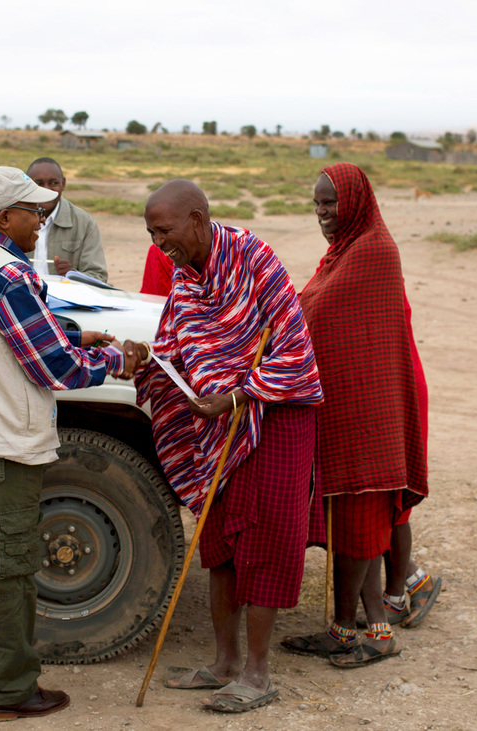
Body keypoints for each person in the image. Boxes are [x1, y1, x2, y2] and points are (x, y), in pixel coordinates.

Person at [0, 166, 141, 722]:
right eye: (33, 212)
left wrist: (74, 330)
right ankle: (10, 691)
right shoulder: (8, 276)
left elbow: (1, 330)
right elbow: (56, 368)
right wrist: (118, 360)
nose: (42, 221)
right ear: (3, 216)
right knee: (9, 570)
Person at [134, 180, 323, 713]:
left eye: (164, 230)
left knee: (263, 547)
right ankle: (224, 664)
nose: (158, 243)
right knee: (219, 547)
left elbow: (294, 350)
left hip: (275, 420)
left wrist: (238, 395)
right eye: (150, 233)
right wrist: (149, 365)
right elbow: (173, 343)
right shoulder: (184, 276)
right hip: (218, 429)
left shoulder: (254, 258)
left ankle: (258, 675)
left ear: (197, 218)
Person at [280, 162, 440, 669]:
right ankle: (345, 629)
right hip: (344, 408)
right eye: (317, 204)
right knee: (345, 523)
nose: (324, 213)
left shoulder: (374, 251)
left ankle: (376, 633)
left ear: (355, 200)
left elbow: (322, 317)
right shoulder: (342, 251)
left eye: (331, 203)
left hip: (370, 413)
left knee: (361, 525)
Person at [26, 157, 110, 282]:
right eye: (39, 184)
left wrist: (72, 275)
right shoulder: (14, 220)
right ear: (27, 185)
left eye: (53, 183)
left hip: (64, 299)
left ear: (63, 184)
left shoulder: (83, 222)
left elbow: (99, 277)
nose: (47, 189)